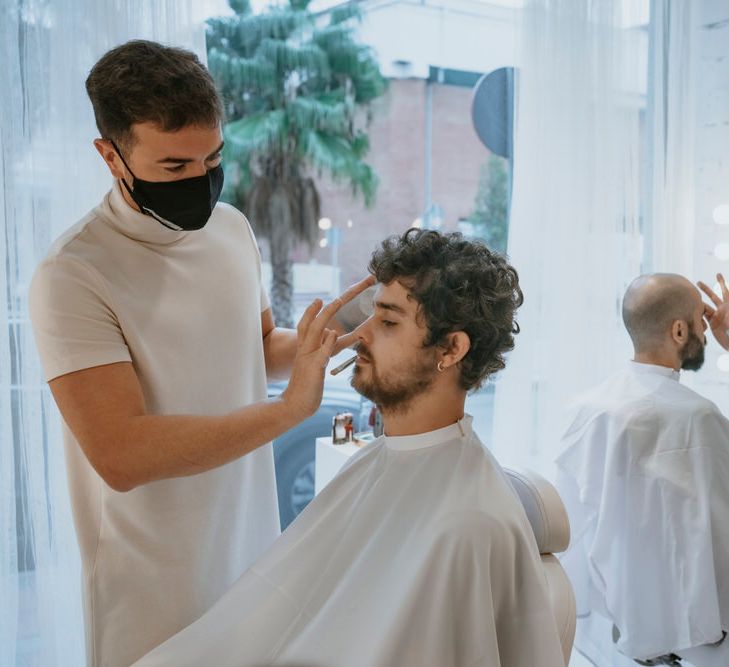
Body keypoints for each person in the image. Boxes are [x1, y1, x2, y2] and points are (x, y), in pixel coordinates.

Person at [28, 40, 372, 667]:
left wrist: (339, 335)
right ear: (111, 155)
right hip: (151, 584)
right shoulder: (73, 275)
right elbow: (121, 455)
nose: (201, 181)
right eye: (174, 166)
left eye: (213, 158)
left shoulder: (231, 228)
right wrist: (289, 410)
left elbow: (260, 346)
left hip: (250, 546)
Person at [134, 229, 566, 667]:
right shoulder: (380, 462)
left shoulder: (468, 526)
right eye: (369, 316)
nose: (361, 335)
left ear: (451, 348)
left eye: (388, 321)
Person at [556, 273, 729, 666]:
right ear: (679, 330)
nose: (706, 328)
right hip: (701, 639)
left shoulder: (587, 409)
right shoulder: (698, 420)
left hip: (608, 631)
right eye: (701, 319)